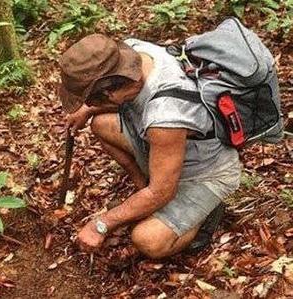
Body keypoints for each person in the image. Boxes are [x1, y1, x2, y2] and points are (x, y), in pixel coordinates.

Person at [58, 34, 241, 259]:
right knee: (101, 124)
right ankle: (141, 185)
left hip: (204, 172)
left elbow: (162, 191)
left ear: (109, 94)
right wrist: (88, 110)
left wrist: (101, 224)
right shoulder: (133, 51)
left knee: (147, 240)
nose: (91, 104)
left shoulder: (166, 114)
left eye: (93, 100)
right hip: (166, 149)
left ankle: (206, 214)